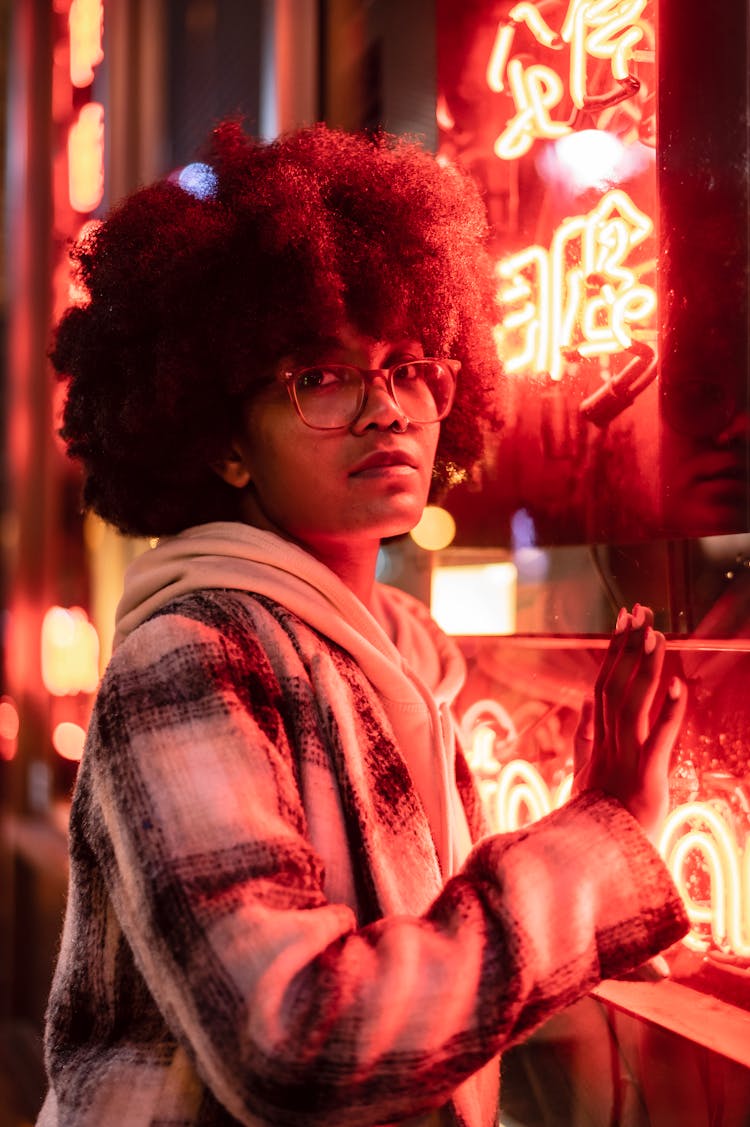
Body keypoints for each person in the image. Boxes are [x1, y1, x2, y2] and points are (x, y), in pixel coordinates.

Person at [38, 121, 688, 1127]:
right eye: (321, 376)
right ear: (223, 441)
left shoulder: (404, 662)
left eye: (413, 366)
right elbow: (296, 1041)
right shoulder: (193, 652)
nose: (387, 411)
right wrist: (595, 845)